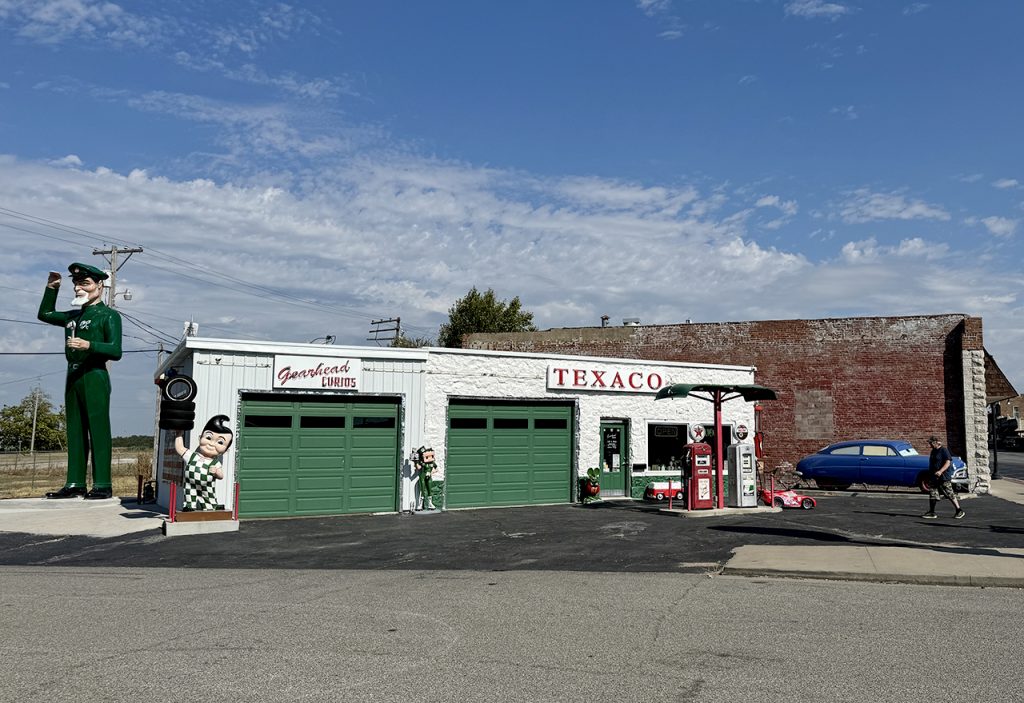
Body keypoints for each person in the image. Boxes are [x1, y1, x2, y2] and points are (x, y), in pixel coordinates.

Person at [37, 263, 123, 499]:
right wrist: (51, 288)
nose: (78, 288)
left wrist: (90, 345)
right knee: (74, 430)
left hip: (94, 374)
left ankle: (102, 483)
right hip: (73, 374)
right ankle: (74, 482)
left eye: (84, 283)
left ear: (99, 286)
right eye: (76, 283)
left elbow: (116, 350)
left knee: (98, 428)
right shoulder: (73, 316)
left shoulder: (109, 316)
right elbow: (44, 314)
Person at [175, 415, 233, 511]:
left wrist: (216, 472)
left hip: (207, 486)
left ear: (226, 451)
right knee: (189, 494)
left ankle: (212, 506)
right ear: (200, 438)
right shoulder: (192, 456)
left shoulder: (215, 463)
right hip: (190, 484)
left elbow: (221, 476)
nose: (211, 444)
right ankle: (189, 506)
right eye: (209, 437)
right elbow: (180, 448)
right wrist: (179, 434)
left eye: (220, 442)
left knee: (209, 496)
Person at [922, 435, 965, 520]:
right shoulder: (933, 451)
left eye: (930, 443)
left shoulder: (944, 450)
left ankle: (959, 510)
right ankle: (932, 512)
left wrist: (941, 471)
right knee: (933, 493)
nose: (929, 445)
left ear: (935, 442)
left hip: (943, 477)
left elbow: (948, 463)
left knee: (949, 493)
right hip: (934, 477)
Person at [412, 446, 436, 510]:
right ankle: (420, 504)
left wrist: (432, 472)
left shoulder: (433, 463)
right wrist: (416, 461)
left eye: (431, 456)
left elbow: (436, 469)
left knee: (429, 490)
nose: (429, 458)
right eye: (427, 457)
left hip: (429, 477)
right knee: (422, 490)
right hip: (422, 477)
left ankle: (430, 504)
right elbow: (418, 467)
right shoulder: (423, 463)